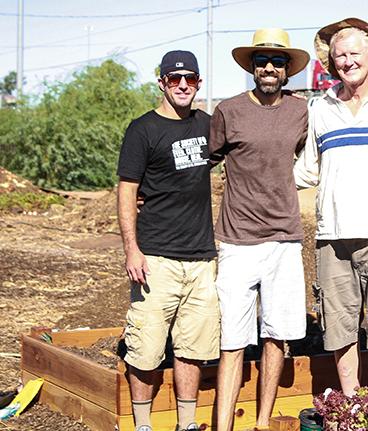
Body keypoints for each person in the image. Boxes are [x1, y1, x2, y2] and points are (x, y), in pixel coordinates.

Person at [294, 18, 368, 396]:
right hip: (333, 237)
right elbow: (305, 171)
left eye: (354, 53)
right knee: (340, 328)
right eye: (339, 55)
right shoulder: (320, 108)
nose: (346, 61)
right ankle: (351, 409)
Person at [208, 28, 310, 430]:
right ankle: (223, 426)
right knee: (232, 341)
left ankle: (262, 422)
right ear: (252, 68)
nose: (269, 68)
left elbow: (303, 155)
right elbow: (203, 164)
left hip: (284, 239)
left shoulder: (300, 111)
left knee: (276, 337)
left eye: (278, 62)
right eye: (262, 61)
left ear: (288, 71)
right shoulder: (228, 111)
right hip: (236, 240)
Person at [117, 50, 219, 431]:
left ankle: (186, 424)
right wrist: (132, 249)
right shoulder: (142, 129)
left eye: (189, 79)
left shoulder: (209, 125)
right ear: (161, 82)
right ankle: (143, 425)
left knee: (192, 349)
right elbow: (127, 190)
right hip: (155, 258)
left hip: (201, 258)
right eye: (174, 79)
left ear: (198, 84)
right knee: (145, 348)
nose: (181, 86)